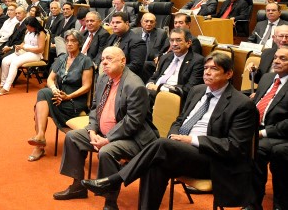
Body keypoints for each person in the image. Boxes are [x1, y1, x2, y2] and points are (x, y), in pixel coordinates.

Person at [82, 52, 258, 210]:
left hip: (211, 159)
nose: (207, 72)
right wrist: (175, 137)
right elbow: (179, 121)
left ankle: (113, 180)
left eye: (214, 69)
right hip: (181, 151)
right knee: (156, 164)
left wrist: (192, 140)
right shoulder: (198, 91)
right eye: (205, 68)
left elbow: (235, 147)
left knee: (161, 146)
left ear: (229, 74)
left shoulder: (242, 104)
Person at [53, 47, 158, 210]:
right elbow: (95, 108)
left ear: (123, 61)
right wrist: (92, 131)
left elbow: (133, 122)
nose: (104, 62)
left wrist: (107, 139)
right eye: (102, 59)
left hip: (134, 138)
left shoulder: (135, 85)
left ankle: (110, 201)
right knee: (73, 137)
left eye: (109, 59)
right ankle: (78, 186)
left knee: (107, 151)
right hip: (102, 132)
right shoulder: (103, 78)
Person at [27, 29, 93, 161]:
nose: (69, 44)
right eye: (67, 41)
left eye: (73, 41)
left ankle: (39, 144)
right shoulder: (61, 58)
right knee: (44, 92)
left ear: (79, 43)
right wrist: (55, 90)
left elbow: (87, 86)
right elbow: (50, 79)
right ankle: (40, 136)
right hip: (58, 97)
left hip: (74, 101)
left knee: (41, 102)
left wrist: (68, 96)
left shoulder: (85, 61)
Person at [249, 46, 288, 210]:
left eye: (283, 59)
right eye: (276, 58)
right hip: (256, 128)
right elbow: (256, 103)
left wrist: (263, 133)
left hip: (279, 134)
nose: (277, 61)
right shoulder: (267, 78)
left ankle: (262, 204)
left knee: (257, 149)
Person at [146, 28, 204, 103]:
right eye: (172, 40)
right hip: (153, 93)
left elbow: (190, 88)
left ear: (188, 43)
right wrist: (149, 84)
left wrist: (161, 89)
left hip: (174, 97)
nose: (174, 44)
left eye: (178, 40)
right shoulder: (165, 57)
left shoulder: (197, 61)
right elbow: (154, 77)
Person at [0, 16, 46, 95]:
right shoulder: (28, 31)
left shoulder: (41, 34)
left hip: (35, 54)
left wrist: (26, 48)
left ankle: (6, 88)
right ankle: (3, 84)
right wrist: (20, 46)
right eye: (27, 27)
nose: (28, 29)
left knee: (14, 63)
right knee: (5, 61)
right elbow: (24, 43)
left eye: (29, 28)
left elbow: (40, 49)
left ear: (34, 26)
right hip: (25, 51)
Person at [134, 12, 169, 78]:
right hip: (136, 61)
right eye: (146, 21)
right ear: (141, 22)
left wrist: (159, 56)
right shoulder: (134, 32)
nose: (149, 24)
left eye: (151, 22)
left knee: (144, 65)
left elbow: (164, 50)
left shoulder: (161, 34)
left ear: (155, 23)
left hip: (151, 63)